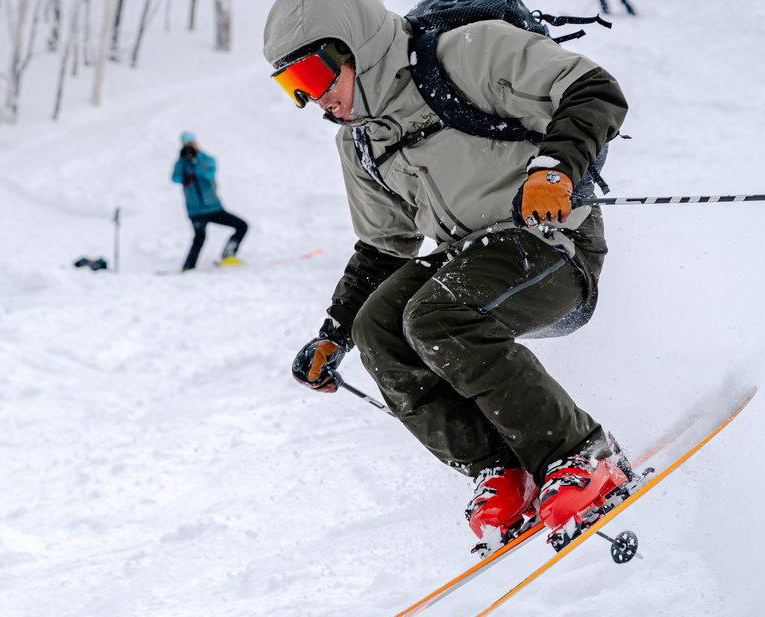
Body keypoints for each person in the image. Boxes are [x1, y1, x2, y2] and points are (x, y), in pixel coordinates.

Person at [264, 0, 633, 548]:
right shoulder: (361, 142)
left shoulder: (467, 54)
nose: (312, 97)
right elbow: (385, 246)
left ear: (353, 48)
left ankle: (582, 456)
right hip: (471, 259)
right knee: (380, 330)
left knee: (437, 316)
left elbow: (593, 89)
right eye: (291, 86)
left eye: (312, 74)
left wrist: (556, 167)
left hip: (552, 240)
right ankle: (503, 468)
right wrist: (335, 332)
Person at [171, 132, 249, 271]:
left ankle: (228, 255)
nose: (190, 146)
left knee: (241, 226)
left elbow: (209, 173)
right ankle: (188, 268)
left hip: (214, 208)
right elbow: (176, 178)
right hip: (195, 211)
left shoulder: (206, 159)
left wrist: (197, 157)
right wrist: (182, 159)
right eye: (187, 144)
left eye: (192, 143)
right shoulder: (182, 163)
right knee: (199, 237)